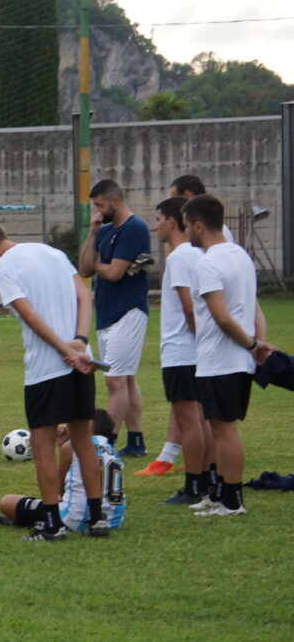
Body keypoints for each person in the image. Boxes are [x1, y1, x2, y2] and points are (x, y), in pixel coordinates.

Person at [0, 222, 108, 542]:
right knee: (83, 439)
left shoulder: (4, 266)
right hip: (82, 362)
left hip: (47, 367)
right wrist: (80, 343)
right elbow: (85, 295)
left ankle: (52, 524)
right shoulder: (51, 251)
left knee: (42, 444)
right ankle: (97, 519)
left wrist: (63, 350)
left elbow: (30, 316)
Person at [183, 194, 273, 517]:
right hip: (235, 358)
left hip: (223, 358)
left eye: (186, 227)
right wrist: (256, 345)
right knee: (220, 427)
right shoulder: (241, 256)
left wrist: (251, 345)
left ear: (198, 225)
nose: (186, 234)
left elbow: (222, 317)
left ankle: (233, 501)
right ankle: (221, 495)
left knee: (224, 429)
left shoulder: (208, 263)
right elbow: (255, 309)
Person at [79, 179, 152, 458]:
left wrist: (100, 265)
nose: (96, 211)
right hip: (107, 313)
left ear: (115, 201)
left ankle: (106, 443)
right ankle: (136, 441)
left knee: (114, 380)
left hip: (128, 311)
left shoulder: (134, 229)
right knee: (127, 379)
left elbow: (113, 273)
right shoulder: (105, 230)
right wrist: (92, 234)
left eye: (99, 205)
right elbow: (85, 269)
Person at [142, 197, 208, 487]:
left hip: (181, 350)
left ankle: (193, 485)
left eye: (158, 219)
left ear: (171, 221)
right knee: (202, 418)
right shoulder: (199, 254)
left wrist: (199, 338)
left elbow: (189, 307)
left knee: (188, 420)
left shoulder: (179, 257)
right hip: (194, 350)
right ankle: (206, 479)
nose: (155, 226)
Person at [0, 409, 126, 533]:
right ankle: (33, 518)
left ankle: (34, 520)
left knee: (6, 502)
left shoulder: (71, 447)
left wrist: (61, 445)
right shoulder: (114, 453)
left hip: (75, 518)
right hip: (113, 521)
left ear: (88, 425)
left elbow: (59, 492)